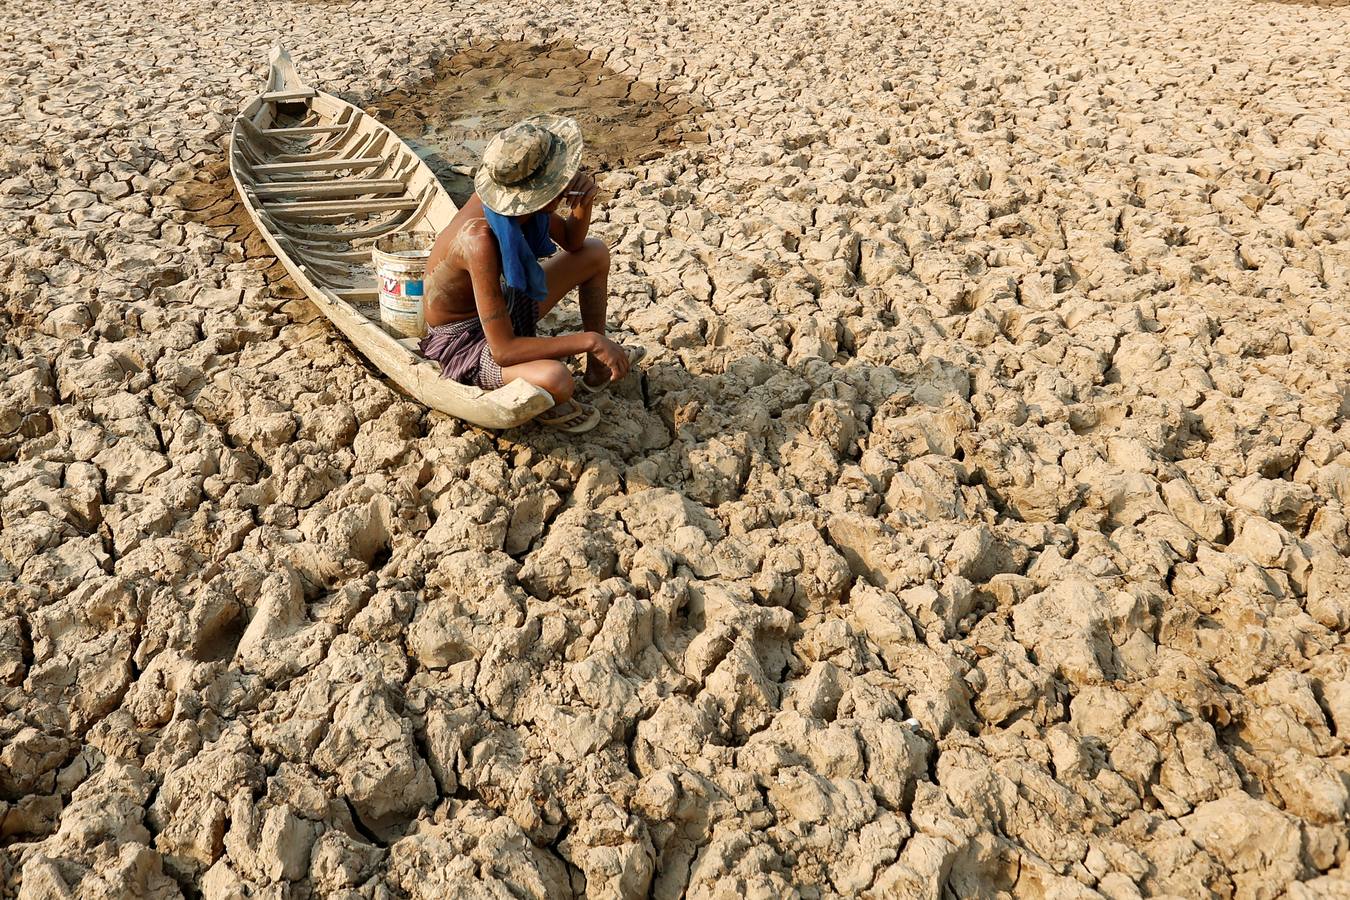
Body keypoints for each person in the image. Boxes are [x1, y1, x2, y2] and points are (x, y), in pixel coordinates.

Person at [418, 115, 644, 433]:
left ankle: (597, 373)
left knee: (595, 253)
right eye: (560, 180)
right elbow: (503, 350)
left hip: (503, 308)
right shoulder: (479, 239)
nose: (567, 181)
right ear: (539, 193)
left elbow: (573, 241)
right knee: (557, 379)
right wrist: (590, 341)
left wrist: (583, 202)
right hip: (466, 340)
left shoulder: (522, 207)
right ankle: (564, 375)